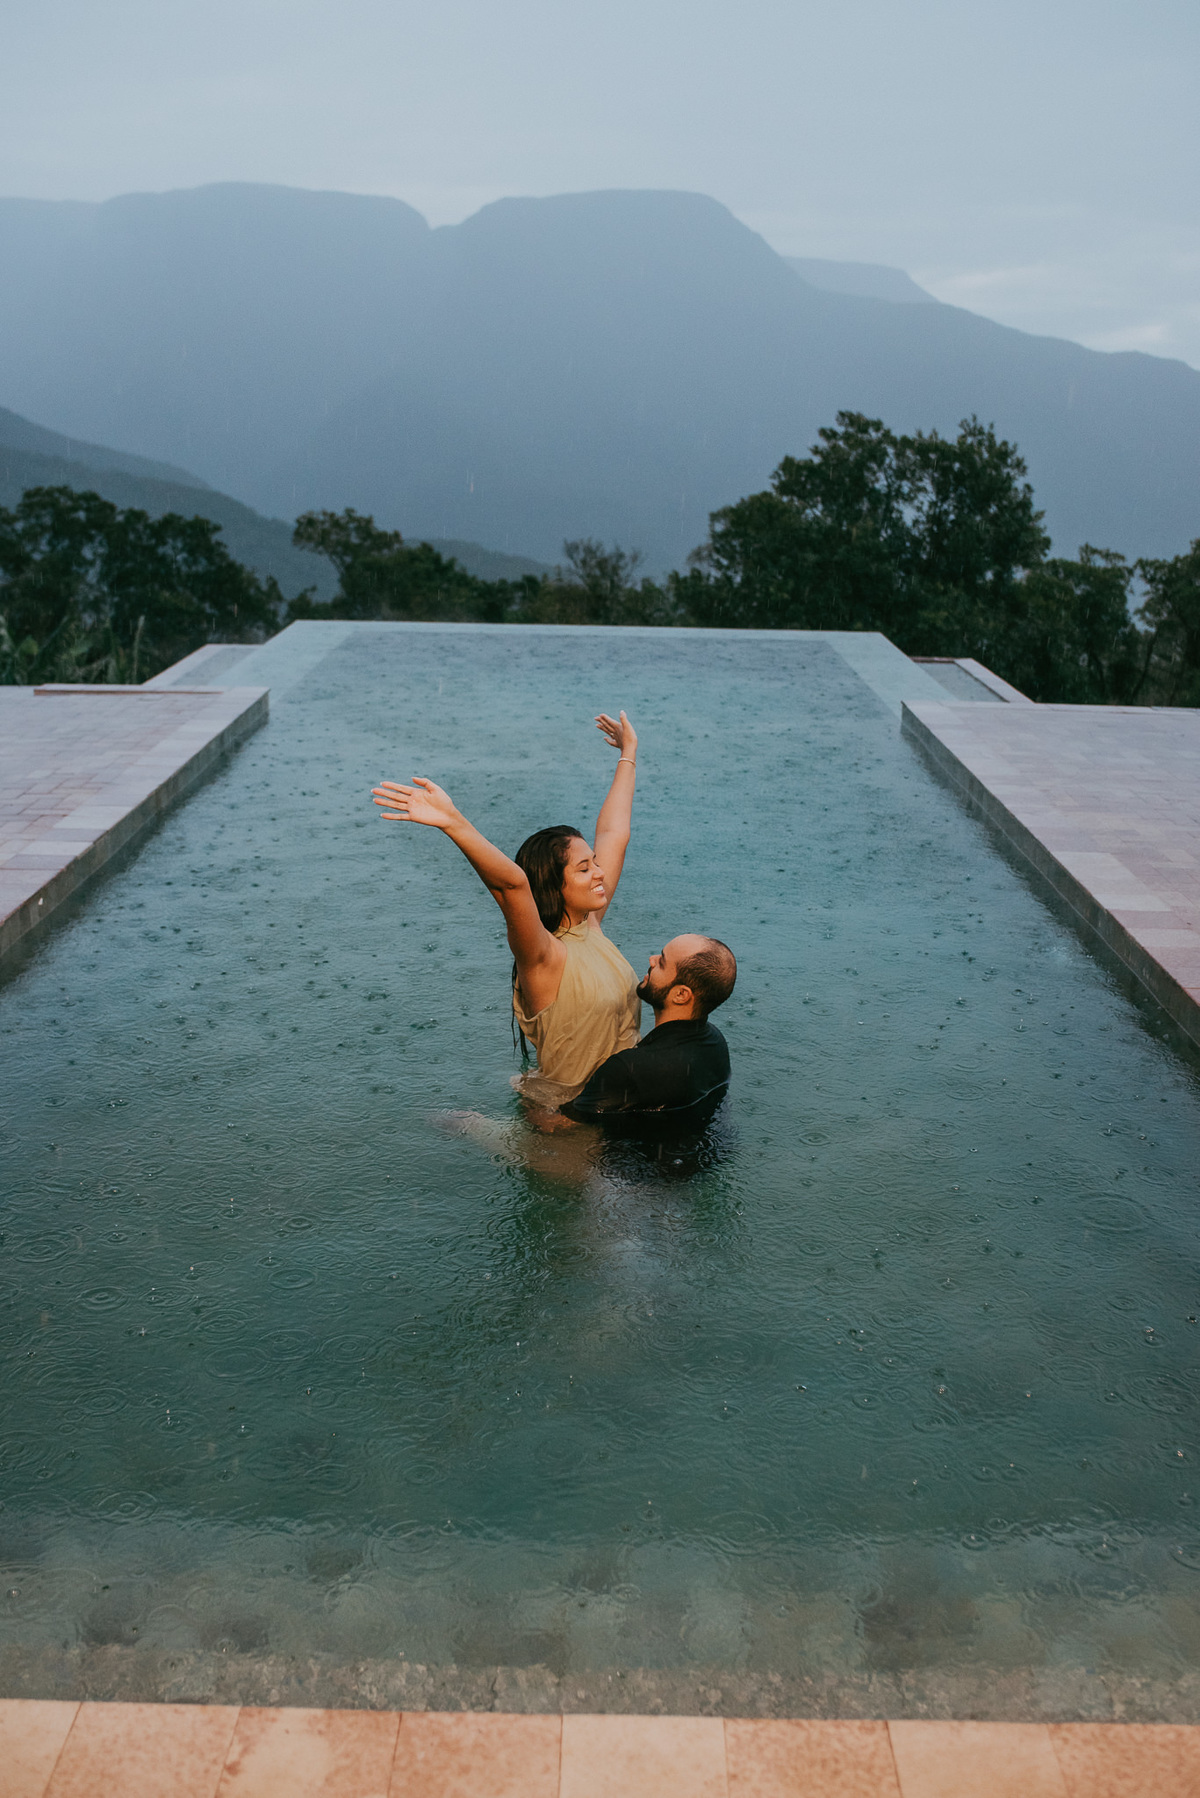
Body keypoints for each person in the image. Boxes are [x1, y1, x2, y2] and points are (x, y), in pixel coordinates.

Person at [371, 711, 641, 1104]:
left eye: (595, 863)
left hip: (614, 1111)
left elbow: (615, 833)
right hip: (561, 1127)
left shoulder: (591, 926)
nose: (599, 872)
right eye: (585, 868)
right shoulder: (543, 956)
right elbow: (512, 886)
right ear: (554, 885)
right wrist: (453, 822)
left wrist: (628, 753)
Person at [561, 934, 736, 1128]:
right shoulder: (717, 1043)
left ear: (681, 995)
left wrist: (527, 1095)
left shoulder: (629, 1069)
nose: (651, 960)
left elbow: (557, 1125)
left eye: (662, 962)